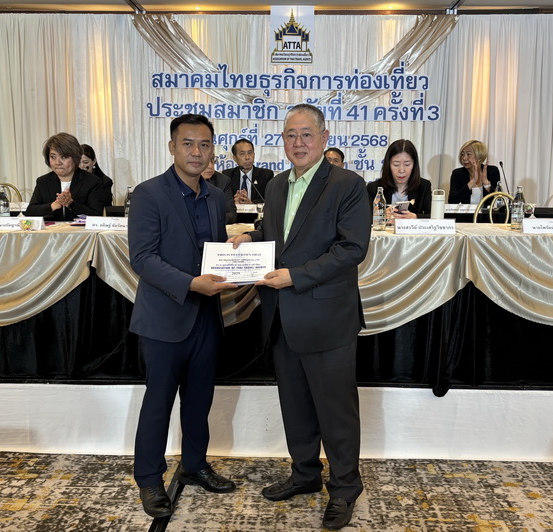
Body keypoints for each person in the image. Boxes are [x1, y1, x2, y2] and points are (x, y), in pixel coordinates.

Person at [229, 104, 372, 530]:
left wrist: (296, 276)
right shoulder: (276, 185)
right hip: (282, 316)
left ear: (324, 138)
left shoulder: (348, 184)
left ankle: (344, 488)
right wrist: (250, 239)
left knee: (335, 411)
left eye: (307, 134)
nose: (298, 142)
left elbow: (351, 249)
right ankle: (305, 475)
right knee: (295, 406)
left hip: (327, 316)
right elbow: (281, 237)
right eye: (291, 135)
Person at [129, 114, 238, 519]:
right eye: (188, 143)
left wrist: (235, 255)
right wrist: (192, 284)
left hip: (206, 317)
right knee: (158, 403)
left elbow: (213, 251)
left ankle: (194, 465)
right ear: (172, 147)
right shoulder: (148, 193)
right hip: (164, 318)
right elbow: (142, 258)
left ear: (212, 150)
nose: (197, 152)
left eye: (205, 144)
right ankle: (149, 479)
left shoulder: (215, 196)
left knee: (199, 402)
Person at [26, 133, 106, 221]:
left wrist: (71, 203)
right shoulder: (43, 181)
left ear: (75, 158)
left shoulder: (92, 182)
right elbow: (30, 211)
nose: (57, 162)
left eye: (63, 157)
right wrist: (53, 206)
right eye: (53, 157)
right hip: (51, 230)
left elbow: (96, 215)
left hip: (81, 230)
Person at [367, 139, 432, 219]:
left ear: (414, 165)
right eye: (396, 164)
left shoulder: (424, 186)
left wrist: (414, 217)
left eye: (407, 164)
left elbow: (434, 217)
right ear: (388, 164)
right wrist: (381, 216)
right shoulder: (374, 188)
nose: (401, 170)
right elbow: (364, 217)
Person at [448, 140, 500, 204]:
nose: (464, 158)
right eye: (462, 154)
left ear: (479, 156)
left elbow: (498, 199)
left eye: (468, 154)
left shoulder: (492, 171)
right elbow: (452, 200)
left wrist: (486, 183)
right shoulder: (457, 174)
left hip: (488, 211)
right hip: (466, 211)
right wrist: (472, 181)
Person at [224, 138, 274, 203]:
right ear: (235, 158)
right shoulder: (227, 176)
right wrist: (234, 202)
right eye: (242, 154)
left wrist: (251, 203)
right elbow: (223, 200)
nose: (247, 157)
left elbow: (270, 200)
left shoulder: (266, 175)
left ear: (254, 155)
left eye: (250, 153)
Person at [201, 157, 237, 224]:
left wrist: (210, 221)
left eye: (212, 160)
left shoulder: (222, 181)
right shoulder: (182, 181)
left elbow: (231, 214)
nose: (210, 166)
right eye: (205, 161)